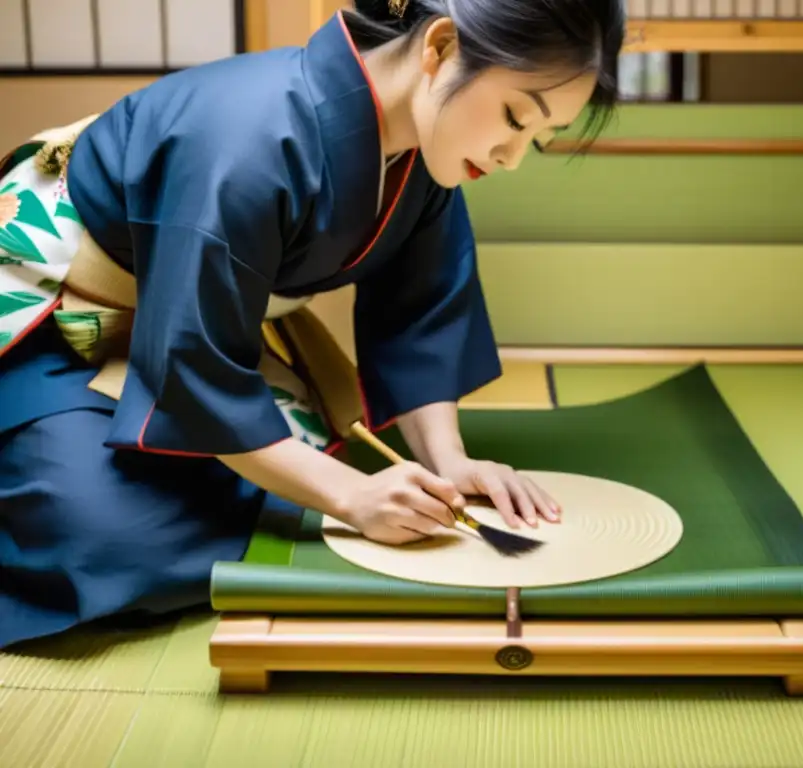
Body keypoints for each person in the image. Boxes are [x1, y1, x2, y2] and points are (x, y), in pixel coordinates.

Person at [0, 0, 624, 648]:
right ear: (439, 48)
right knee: (100, 542)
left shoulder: (423, 152)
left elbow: (420, 316)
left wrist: (448, 461)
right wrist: (351, 500)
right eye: (515, 118)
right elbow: (194, 362)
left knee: (327, 483)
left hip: (195, 332)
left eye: (537, 138)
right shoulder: (247, 134)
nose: (512, 157)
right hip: (63, 315)